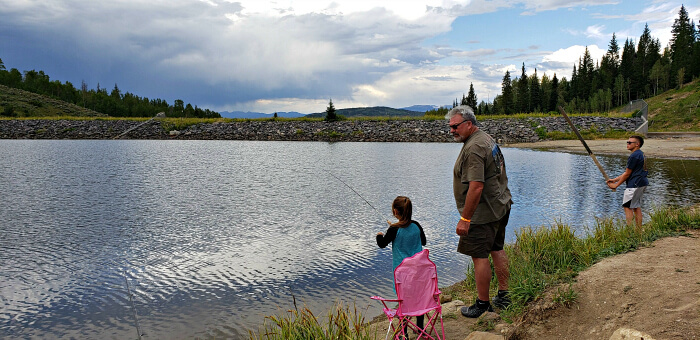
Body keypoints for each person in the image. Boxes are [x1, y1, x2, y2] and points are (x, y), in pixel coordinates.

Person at [446, 105, 513, 318]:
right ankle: (504, 294)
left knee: (479, 256)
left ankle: (483, 304)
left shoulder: (474, 148)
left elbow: (476, 186)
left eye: (455, 126)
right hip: (500, 205)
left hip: (483, 214)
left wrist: (465, 218)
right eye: (450, 127)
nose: (452, 131)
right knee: (497, 249)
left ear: (468, 124)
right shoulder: (485, 138)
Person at [376, 196, 427, 332]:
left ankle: (404, 333)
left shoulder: (394, 229)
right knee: (418, 298)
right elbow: (424, 242)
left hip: (402, 275)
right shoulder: (416, 226)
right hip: (419, 273)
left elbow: (382, 244)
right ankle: (420, 327)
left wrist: (379, 235)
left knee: (403, 301)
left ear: (395, 211)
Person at [607, 135, 649, 228]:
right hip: (642, 183)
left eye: (630, 142)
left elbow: (627, 174)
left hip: (634, 184)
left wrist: (616, 185)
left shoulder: (634, 156)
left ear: (637, 144)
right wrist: (614, 179)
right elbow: (629, 172)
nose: (627, 144)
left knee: (627, 207)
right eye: (627, 142)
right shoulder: (640, 154)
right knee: (636, 206)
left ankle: (629, 231)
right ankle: (638, 231)